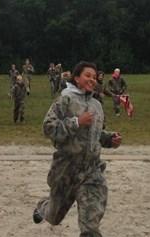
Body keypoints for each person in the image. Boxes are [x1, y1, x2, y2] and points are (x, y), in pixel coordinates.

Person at [33, 61, 122, 237]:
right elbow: (48, 127)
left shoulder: (97, 105)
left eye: (94, 77)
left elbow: (95, 134)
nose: (92, 79)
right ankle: (44, 207)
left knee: (90, 225)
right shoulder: (65, 100)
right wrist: (76, 122)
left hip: (91, 171)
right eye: (87, 75)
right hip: (66, 170)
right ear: (76, 78)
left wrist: (109, 139)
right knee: (54, 217)